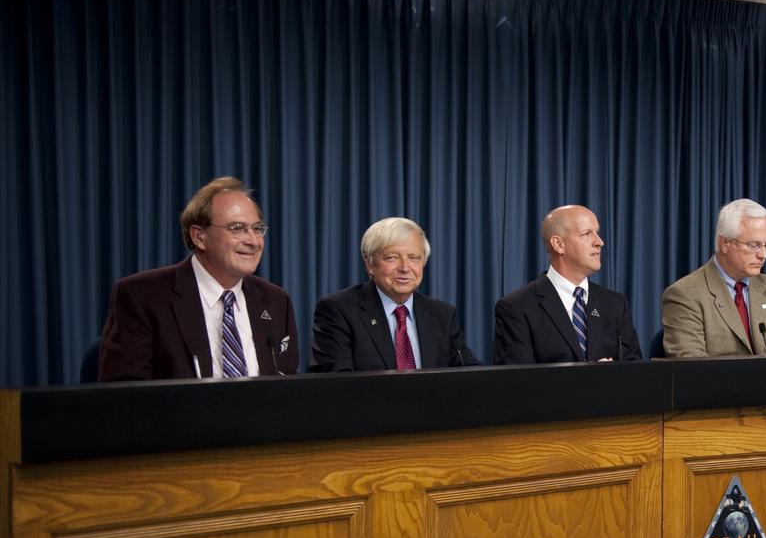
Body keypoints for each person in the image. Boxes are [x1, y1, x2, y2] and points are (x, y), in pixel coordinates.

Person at [98, 176, 299, 381]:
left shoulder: (276, 300)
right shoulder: (141, 296)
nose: (253, 241)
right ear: (199, 236)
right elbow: (124, 395)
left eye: (257, 229)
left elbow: (288, 386)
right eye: (237, 228)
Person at [310, 217, 479, 371]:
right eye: (392, 258)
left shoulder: (443, 314)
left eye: (414, 258)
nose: (405, 268)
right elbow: (335, 384)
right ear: (369, 264)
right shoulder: (338, 310)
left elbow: (469, 373)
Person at [661, 198, 766, 358]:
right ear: (724, 244)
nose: (763, 255)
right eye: (754, 245)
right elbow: (691, 366)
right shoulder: (685, 295)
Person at [493, 205, 641, 364]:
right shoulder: (516, 307)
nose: (600, 242)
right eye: (586, 234)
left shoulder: (616, 304)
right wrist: (590, 379)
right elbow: (516, 383)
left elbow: (634, 371)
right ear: (559, 244)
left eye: (597, 233)